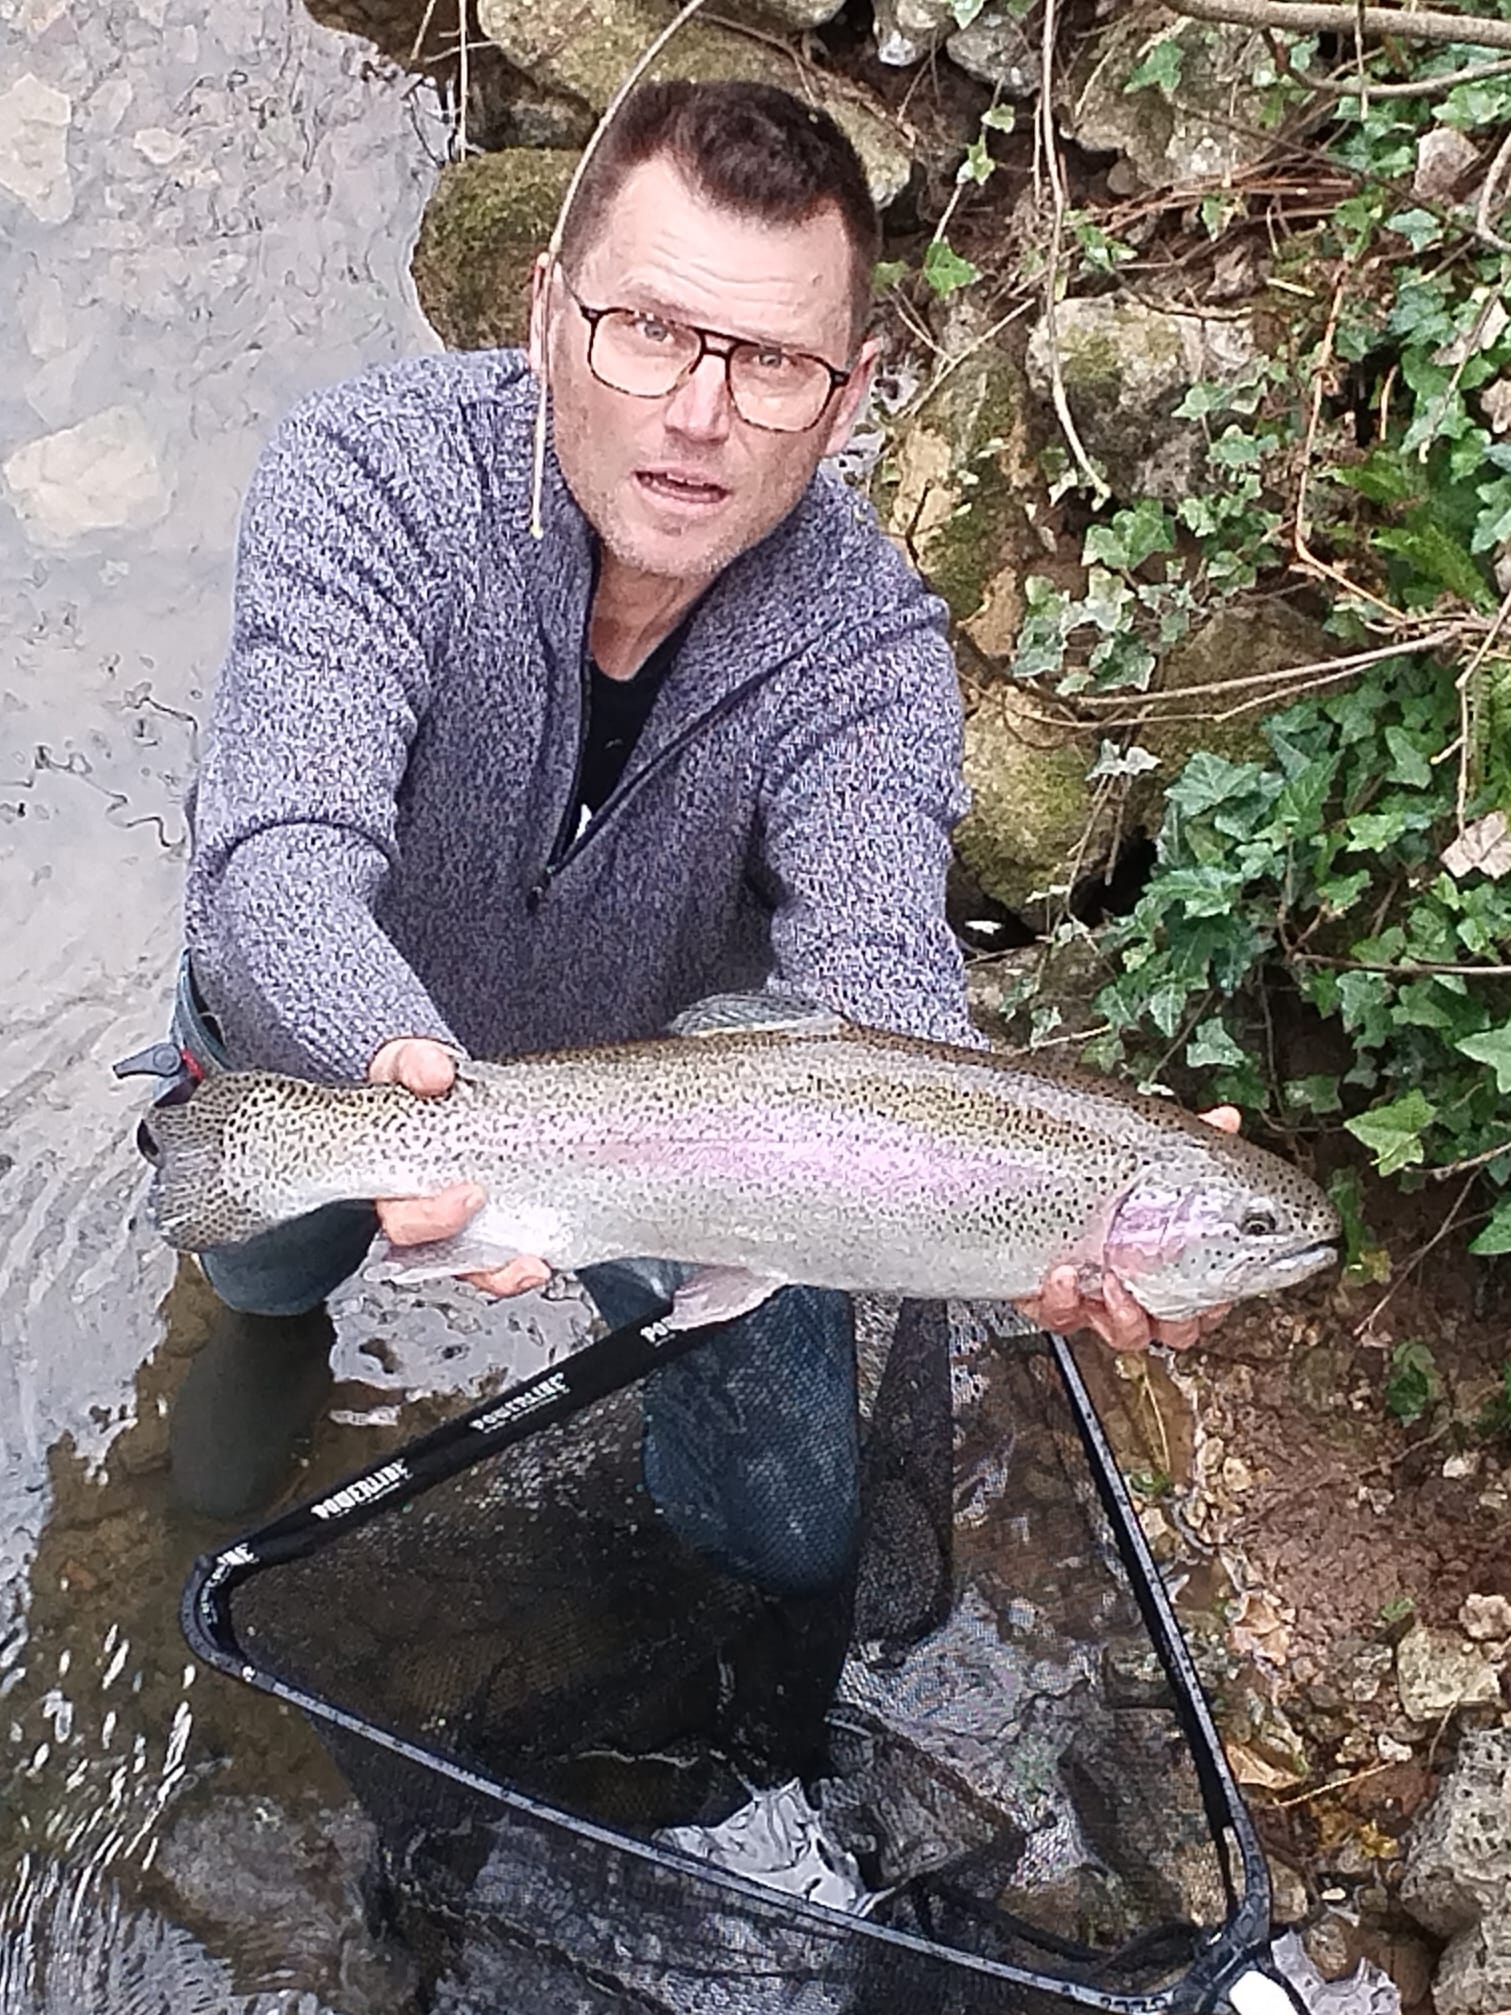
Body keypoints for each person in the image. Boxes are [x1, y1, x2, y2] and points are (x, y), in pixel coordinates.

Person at [151, 79, 1231, 1550]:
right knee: (266, 1257)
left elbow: (875, 976)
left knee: (786, 1532)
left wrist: (1022, 1188)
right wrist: (404, 1089)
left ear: (847, 401)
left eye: (774, 362)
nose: (700, 415)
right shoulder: (372, 473)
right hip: (313, 1046)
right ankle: (271, 1332)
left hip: (694, 1144)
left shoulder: (869, 650)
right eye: (650, 330)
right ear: (547, 314)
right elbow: (276, 856)